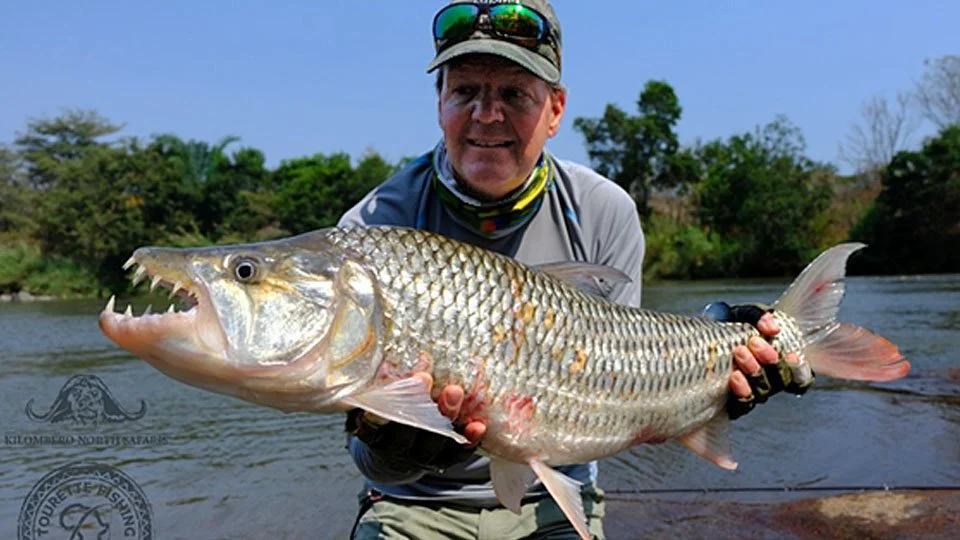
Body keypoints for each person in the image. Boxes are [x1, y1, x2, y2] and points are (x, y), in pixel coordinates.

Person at [338, 1, 805, 538]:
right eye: (465, 91)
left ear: (555, 110)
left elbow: (621, 378)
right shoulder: (373, 230)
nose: (486, 114)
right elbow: (369, 462)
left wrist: (716, 367)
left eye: (514, 94)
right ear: (440, 102)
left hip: (552, 497)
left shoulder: (604, 210)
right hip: (413, 504)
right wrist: (392, 446)